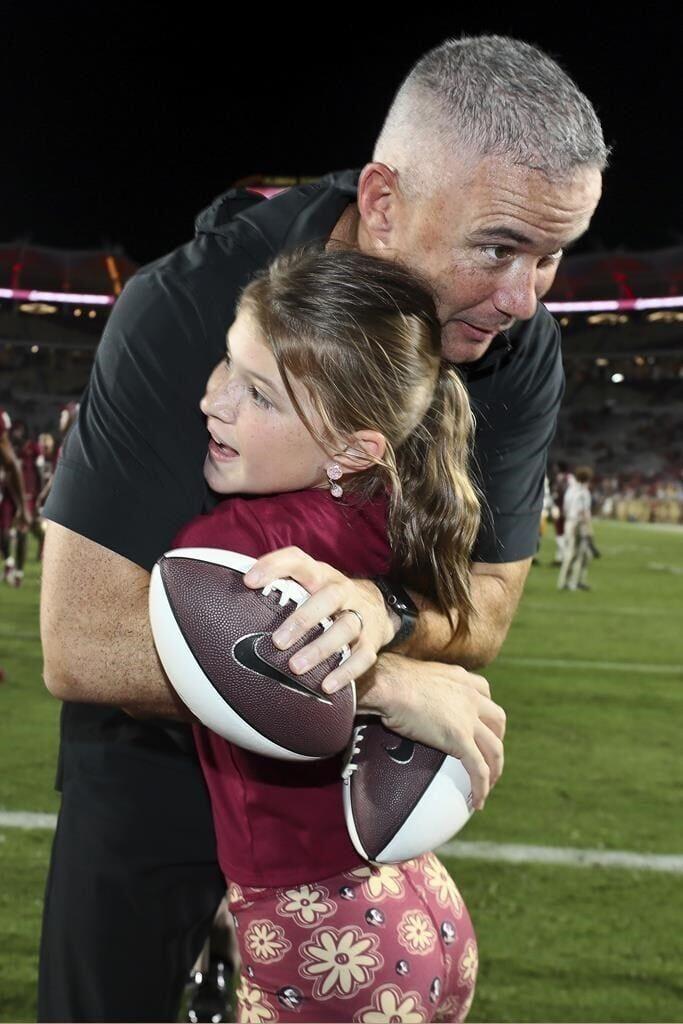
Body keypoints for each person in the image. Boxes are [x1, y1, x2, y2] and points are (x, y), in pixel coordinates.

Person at [39, 34, 606, 1023]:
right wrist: (366, 675)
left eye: (551, 256)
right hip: (156, 762)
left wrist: (380, 612)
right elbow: (84, 640)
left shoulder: (509, 346)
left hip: (330, 807)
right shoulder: (191, 308)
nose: (523, 299)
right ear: (383, 202)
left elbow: (482, 601)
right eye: (499, 247)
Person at [173, 246, 487, 1020]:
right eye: (226, 365)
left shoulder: (237, 543)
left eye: (260, 394)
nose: (215, 402)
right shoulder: (389, 504)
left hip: (321, 937)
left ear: (354, 449)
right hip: (418, 912)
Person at [557, 466, 595, 591]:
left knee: (574, 553)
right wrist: (589, 529)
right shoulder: (584, 492)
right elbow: (584, 512)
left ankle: (565, 581)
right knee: (578, 554)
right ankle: (573, 582)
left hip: (569, 522)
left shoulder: (570, 490)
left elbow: (565, 508)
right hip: (579, 524)